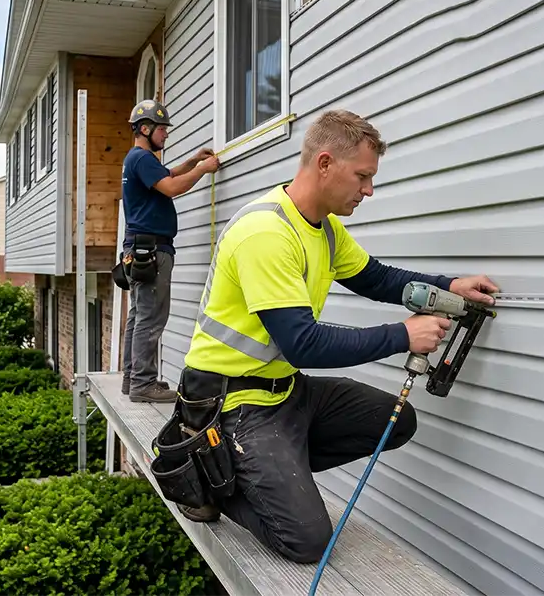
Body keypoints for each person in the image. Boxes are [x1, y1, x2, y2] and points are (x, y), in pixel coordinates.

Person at [152, 109, 499, 563]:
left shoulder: (325, 228)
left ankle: (273, 466)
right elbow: (304, 344)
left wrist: (448, 285)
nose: (368, 190)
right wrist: (402, 335)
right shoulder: (266, 233)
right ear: (324, 163)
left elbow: (376, 278)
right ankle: (214, 482)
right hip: (233, 404)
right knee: (307, 541)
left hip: (286, 393)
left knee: (396, 420)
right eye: (362, 176)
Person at [119, 99, 220, 403]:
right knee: (150, 318)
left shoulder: (138, 159)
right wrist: (203, 169)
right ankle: (143, 384)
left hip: (140, 249)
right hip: (151, 249)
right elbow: (173, 188)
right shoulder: (141, 158)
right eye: (162, 129)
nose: (165, 135)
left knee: (139, 317)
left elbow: (168, 175)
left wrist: (192, 162)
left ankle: (132, 379)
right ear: (145, 128)